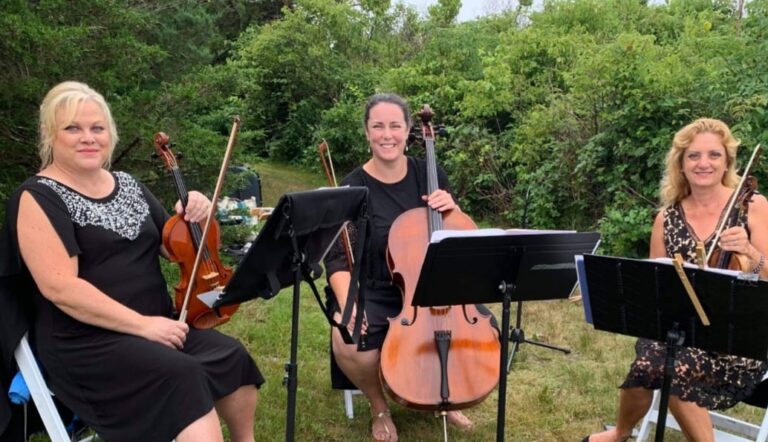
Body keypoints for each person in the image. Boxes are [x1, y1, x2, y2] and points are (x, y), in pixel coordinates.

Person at [0, 81, 264, 442]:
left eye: (97, 128)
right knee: (182, 375)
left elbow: (174, 247)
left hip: (159, 325)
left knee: (231, 356)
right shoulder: (37, 197)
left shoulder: (127, 184)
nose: (88, 138)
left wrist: (197, 215)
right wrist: (143, 326)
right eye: (73, 128)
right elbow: (60, 288)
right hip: (86, 342)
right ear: (50, 135)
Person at [324, 93, 497, 442]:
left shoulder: (429, 175)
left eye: (395, 126)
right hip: (375, 286)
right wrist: (347, 301)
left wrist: (453, 209)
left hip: (434, 285)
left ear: (407, 131)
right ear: (366, 132)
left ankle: (447, 397)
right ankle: (380, 407)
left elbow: (461, 239)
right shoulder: (353, 187)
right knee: (347, 337)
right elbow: (337, 256)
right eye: (378, 126)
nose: (387, 135)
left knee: (488, 330)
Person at [584, 118, 768, 442]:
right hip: (681, 329)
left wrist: (750, 253)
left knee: (671, 368)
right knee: (656, 360)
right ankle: (622, 432)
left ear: (727, 162)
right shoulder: (666, 218)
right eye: (693, 155)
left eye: (714, 155)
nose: (703, 163)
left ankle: (619, 433)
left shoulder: (753, 207)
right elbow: (656, 289)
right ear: (681, 164)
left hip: (737, 335)